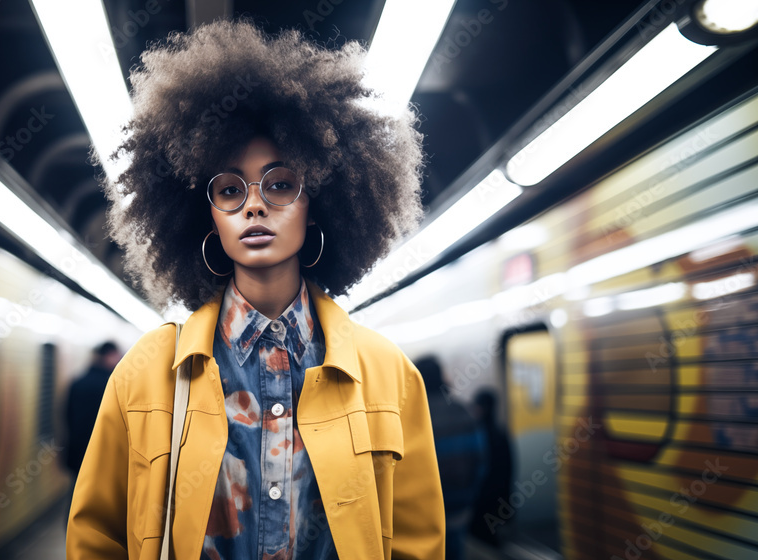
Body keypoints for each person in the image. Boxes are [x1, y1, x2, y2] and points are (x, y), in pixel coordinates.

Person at [67, 19, 444, 560]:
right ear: (206, 215)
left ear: (321, 198)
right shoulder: (147, 374)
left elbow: (417, 544)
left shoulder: (390, 378)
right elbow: (95, 538)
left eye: (281, 183)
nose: (255, 205)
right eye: (228, 189)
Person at [416, 357, 487, 560]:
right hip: (461, 504)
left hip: (427, 510)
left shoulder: (414, 415)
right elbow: (481, 461)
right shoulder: (464, 411)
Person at [64, 341, 122, 476]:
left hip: (77, 450)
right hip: (102, 452)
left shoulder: (78, 381)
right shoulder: (111, 385)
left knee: (77, 488)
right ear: (108, 356)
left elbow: (67, 415)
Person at [468, 389, 514, 548]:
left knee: (480, 542)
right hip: (497, 500)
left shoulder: (478, 434)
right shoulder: (500, 434)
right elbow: (508, 472)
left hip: (481, 500)